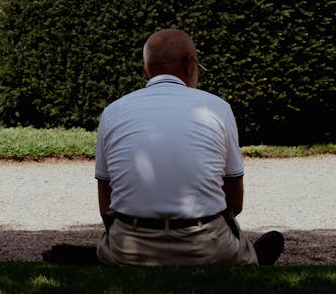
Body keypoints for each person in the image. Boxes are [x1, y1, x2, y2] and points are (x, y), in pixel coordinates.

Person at [94, 28, 284, 266]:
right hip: (204, 246)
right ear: (190, 65)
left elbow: (106, 203)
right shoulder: (217, 108)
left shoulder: (113, 112)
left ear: (146, 71)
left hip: (129, 246)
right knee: (255, 247)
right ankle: (249, 258)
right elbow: (234, 202)